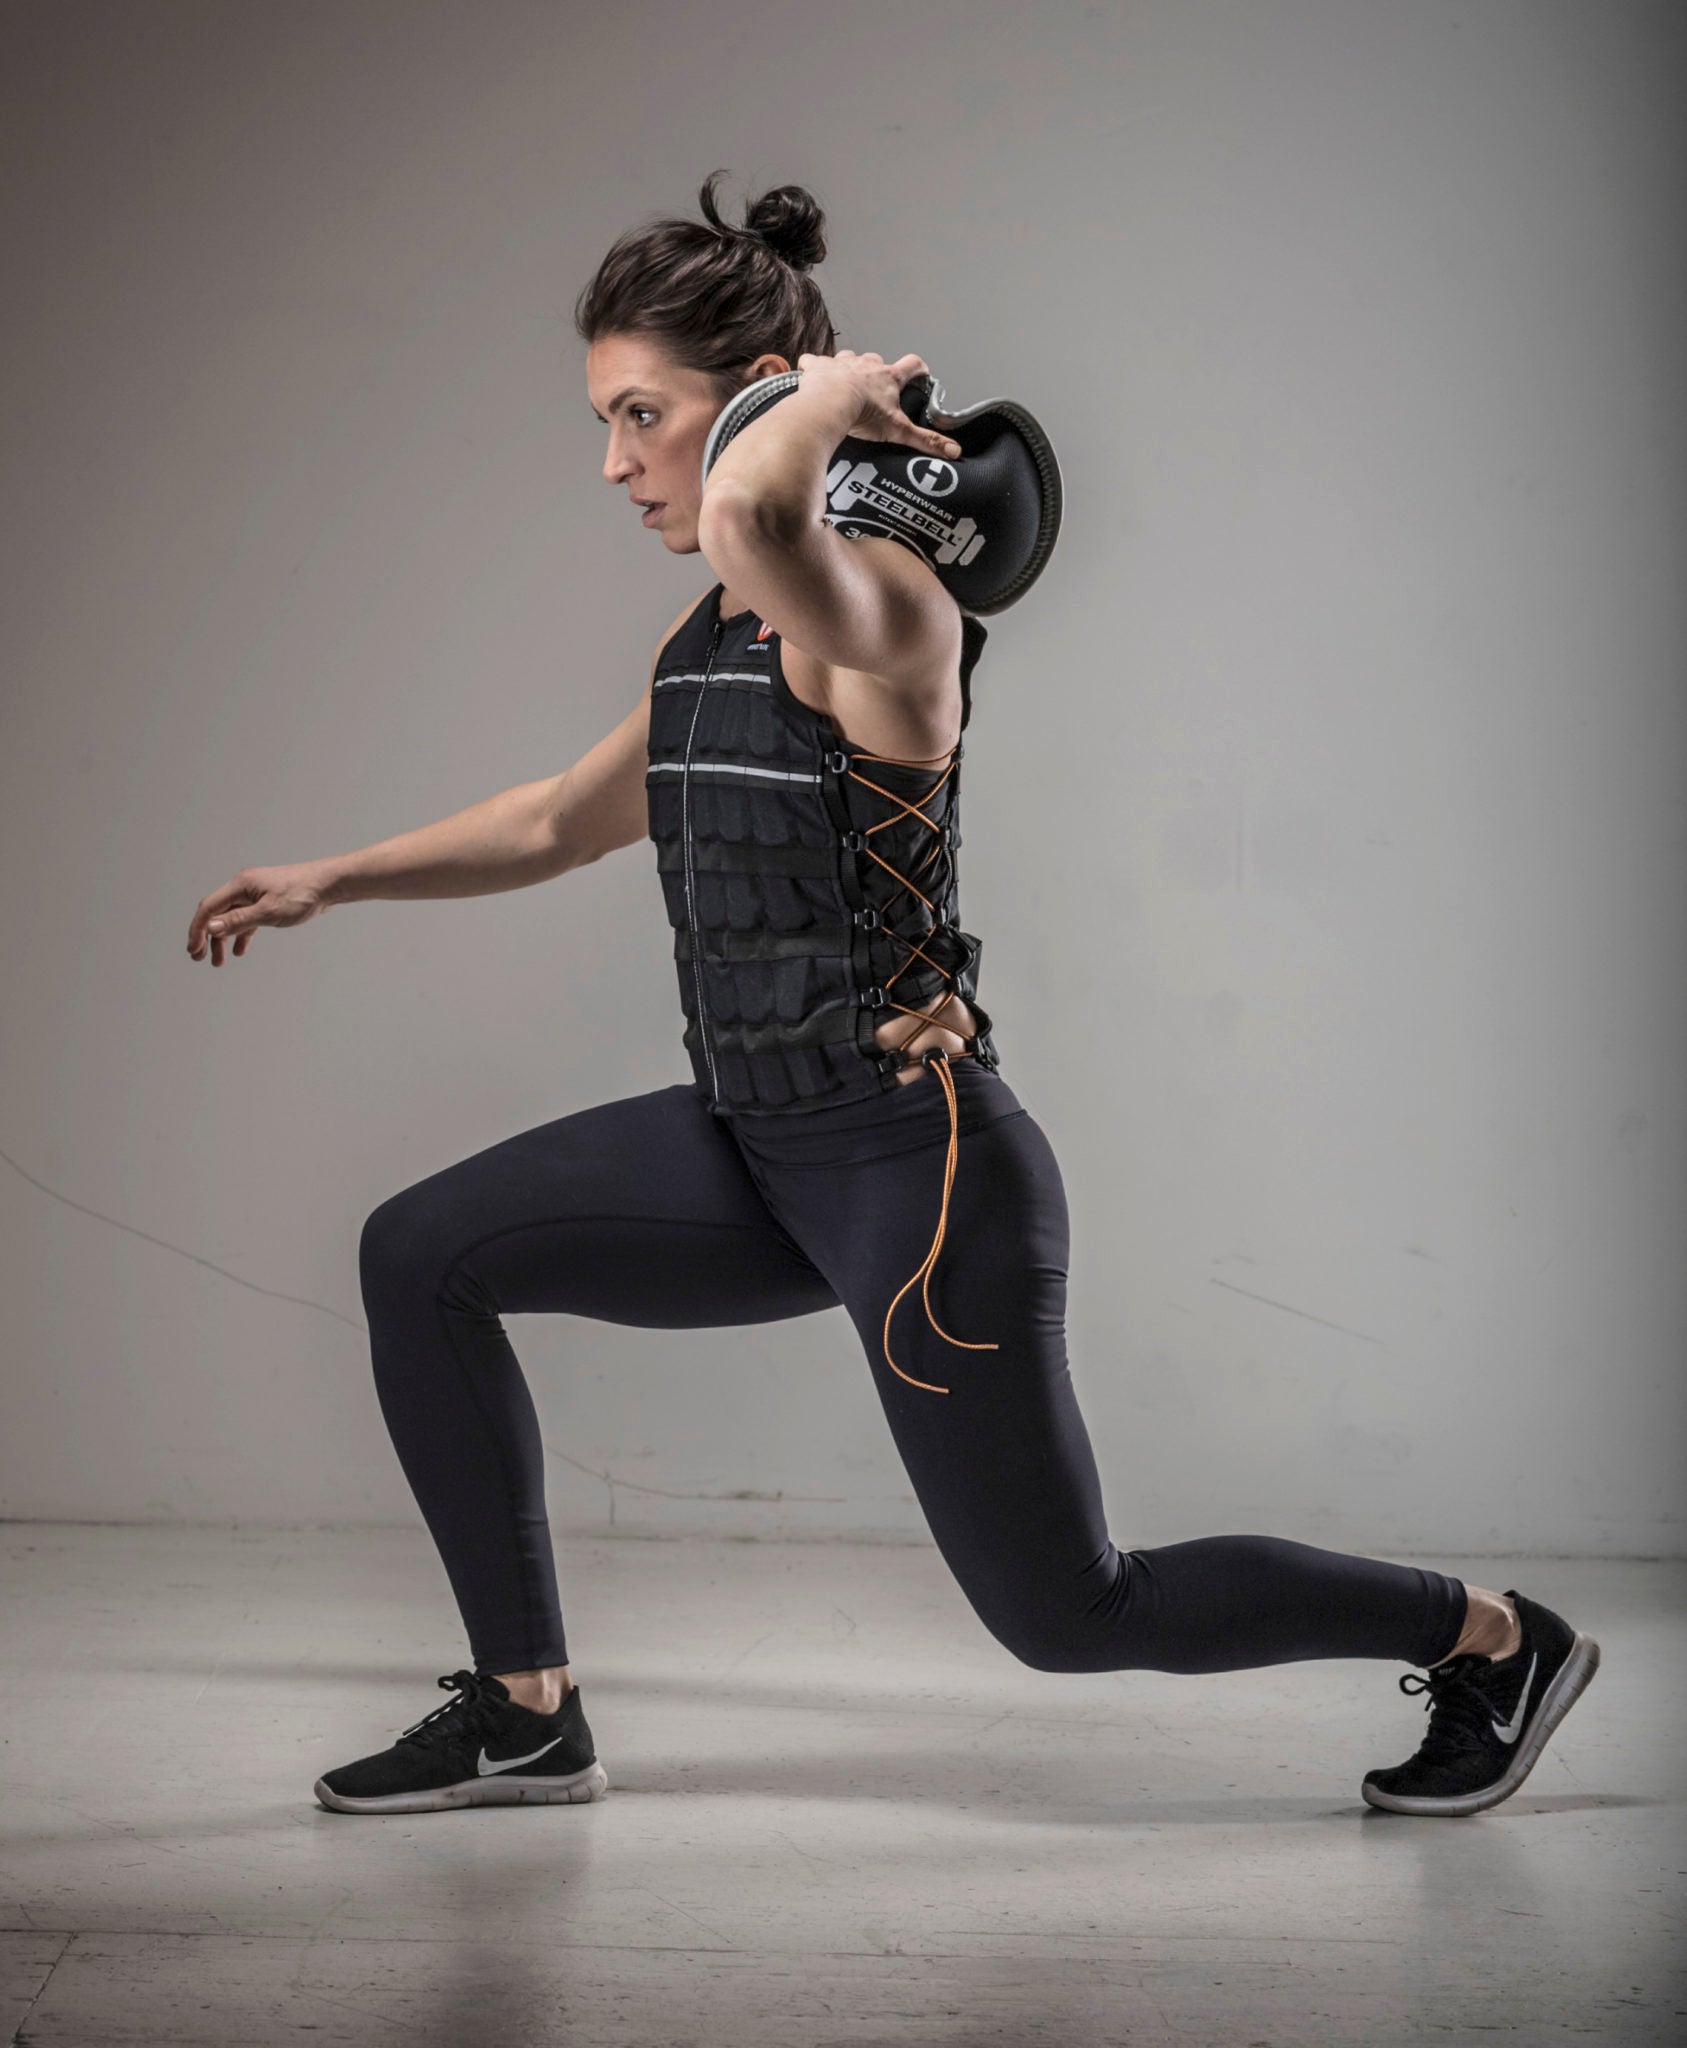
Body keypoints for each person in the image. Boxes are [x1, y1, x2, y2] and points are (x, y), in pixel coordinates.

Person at [186, 170, 1598, 1821]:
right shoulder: (719, 620)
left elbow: (760, 519)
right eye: (605, 417)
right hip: (748, 1147)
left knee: (1074, 1614)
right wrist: (330, 878)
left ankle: (1497, 1641)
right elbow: (563, 820)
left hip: (916, 1179)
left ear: (748, 415)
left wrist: (814, 407)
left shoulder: (880, 612)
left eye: (643, 415)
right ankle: (524, 1712)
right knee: (417, 1251)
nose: (614, 459)